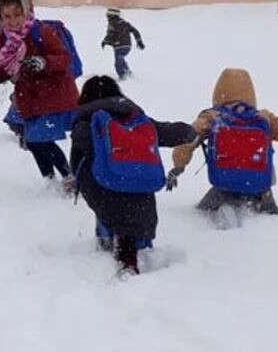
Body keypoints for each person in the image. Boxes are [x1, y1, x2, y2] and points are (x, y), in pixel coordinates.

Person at [169, 68, 278, 228]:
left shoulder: (212, 117)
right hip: (260, 187)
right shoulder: (263, 118)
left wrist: (178, 166)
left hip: (224, 184)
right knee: (273, 224)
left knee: (201, 214)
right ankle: (269, 229)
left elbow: (188, 139)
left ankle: (221, 219)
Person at [69, 76, 195, 274]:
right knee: (135, 223)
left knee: (110, 215)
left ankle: (110, 249)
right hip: (140, 186)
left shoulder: (87, 121)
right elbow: (166, 132)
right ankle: (143, 254)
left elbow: (78, 159)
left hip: (106, 187)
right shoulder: (135, 119)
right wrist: (189, 132)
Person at [0, 0, 79, 189]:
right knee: (33, 140)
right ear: (0, 17)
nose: (12, 21)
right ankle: (50, 179)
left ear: (27, 12)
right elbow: (6, 68)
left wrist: (43, 62)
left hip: (51, 95)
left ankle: (68, 176)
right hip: (29, 98)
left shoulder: (41, 31)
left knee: (39, 139)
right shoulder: (6, 39)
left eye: (17, 15)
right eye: (6, 16)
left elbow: (64, 58)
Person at [101, 8, 144, 80]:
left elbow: (111, 34)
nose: (107, 17)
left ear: (111, 16)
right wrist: (139, 41)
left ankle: (122, 76)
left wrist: (105, 41)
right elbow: (135, 31)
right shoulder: (125, 23)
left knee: (118, 62)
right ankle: (128, 73)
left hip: (118, 46)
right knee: (121, 59)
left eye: (107, 15)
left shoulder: (112, 23)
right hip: (127, 46)